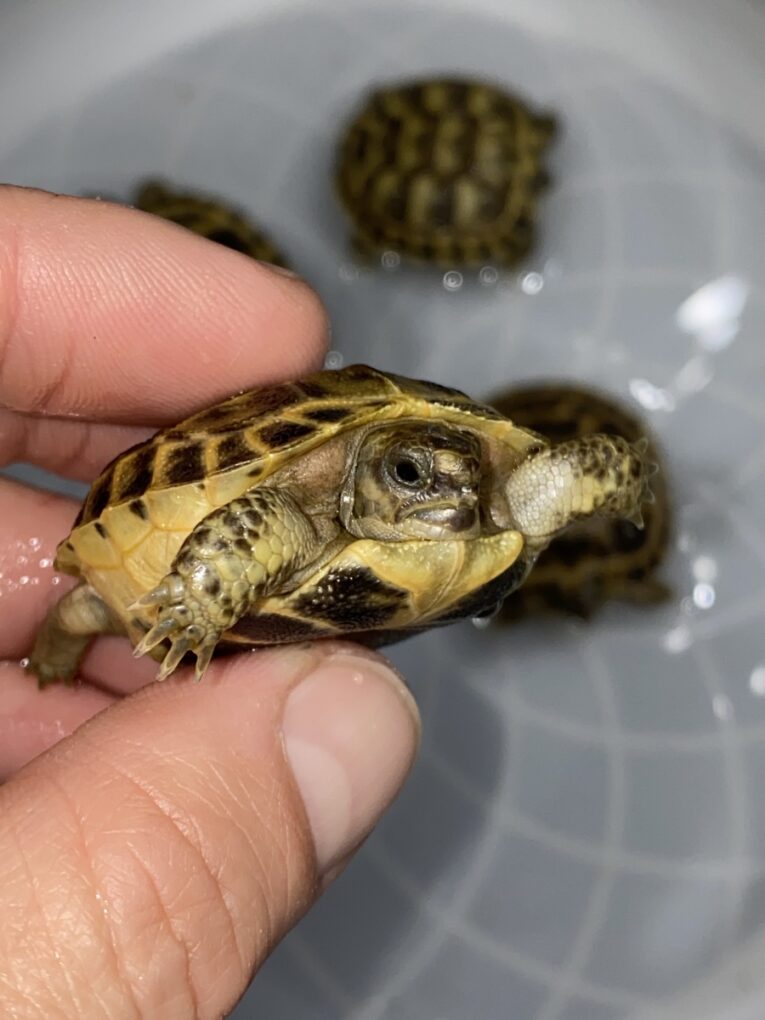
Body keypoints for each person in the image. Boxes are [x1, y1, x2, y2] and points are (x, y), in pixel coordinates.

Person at [0, 185, 420, 1018]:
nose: (437, 496)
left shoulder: (447, 503)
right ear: (374, 465)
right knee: (84, 611)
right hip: (166, 554)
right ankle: (54, 655)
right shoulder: (295, 499)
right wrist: (194, 608)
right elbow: (258, 518)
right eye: (408, 474)